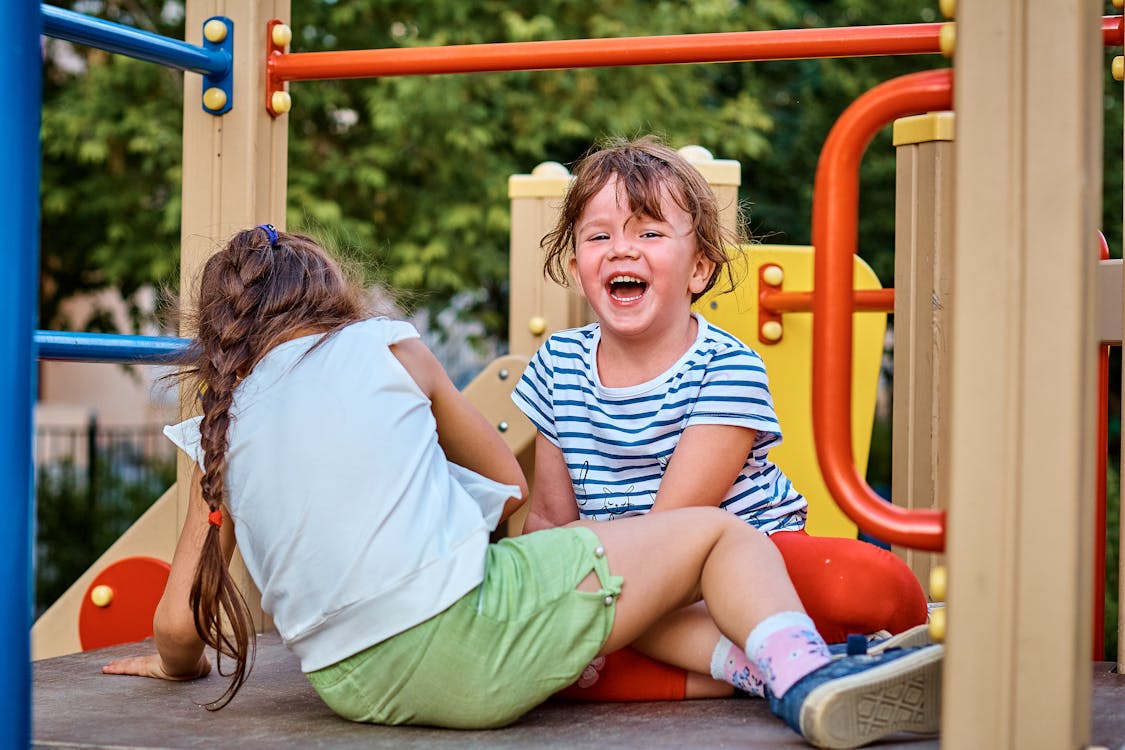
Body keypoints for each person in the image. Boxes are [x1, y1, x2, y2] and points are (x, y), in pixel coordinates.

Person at [102, 224, 941, 749]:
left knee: (616, 602)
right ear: (335, 296)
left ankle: (764, 670)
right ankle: (807, 681)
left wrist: (174, 667)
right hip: (466, 642)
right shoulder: (388, 346)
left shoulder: (223, 421)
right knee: (723, 537)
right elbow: (505, 483)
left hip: (352, 689)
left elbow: (179, 626)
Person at [511, 136, 930, 703]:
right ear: (575, 265)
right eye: (599, 236)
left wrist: (593, 609)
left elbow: (676, 529)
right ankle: (768, 669)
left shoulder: (725, 367)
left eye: (649, 232)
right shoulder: (559, 366)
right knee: (533, 645)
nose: (621, 250)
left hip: (746, 566)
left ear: (700, 268)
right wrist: (551, 593)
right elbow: (549, 522)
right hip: (629, 585)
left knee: (868, 585)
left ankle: (826, 647)